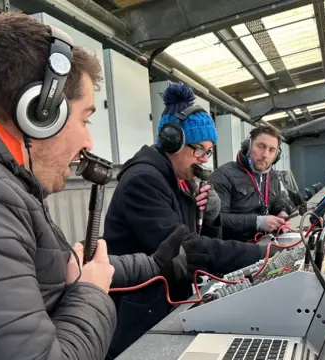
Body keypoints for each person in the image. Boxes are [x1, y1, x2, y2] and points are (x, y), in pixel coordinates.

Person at [0, 13, 194, 360]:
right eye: (85, 119)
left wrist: (155, 263)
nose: (88, 140)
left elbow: (67, 266)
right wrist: (90, 295)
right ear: (41, 113)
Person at [102, 82, 274, 358]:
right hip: (140, 315)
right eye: (200, 151)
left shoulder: (177, 180)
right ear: (173, 142)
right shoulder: (144, 180)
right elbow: (187, 249)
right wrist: (261, 253)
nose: (203, 160)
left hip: (168, 301)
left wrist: (213, 217)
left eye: (208, 153)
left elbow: (202, 243)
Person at [209, 125, 295, 242]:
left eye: (272, 150)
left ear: (277, 156)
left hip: (265, 243)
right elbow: (217, 219)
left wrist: (281, 212)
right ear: (248, 146)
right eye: (261, 146)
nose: (265, 155)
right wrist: (258, 222)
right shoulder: (223, 175)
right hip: (233, 248)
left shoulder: (273, 176)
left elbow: (277, 201)